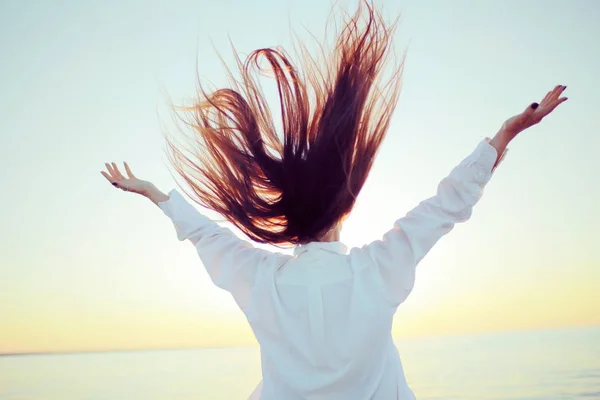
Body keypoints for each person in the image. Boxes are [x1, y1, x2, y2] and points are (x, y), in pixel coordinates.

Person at [100, 2, 568, 399]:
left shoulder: (264, 282)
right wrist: (505, 135)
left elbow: (205, 233)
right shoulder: (375, 270)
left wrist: (155, 194)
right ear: (343, 207)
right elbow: (446, 206)